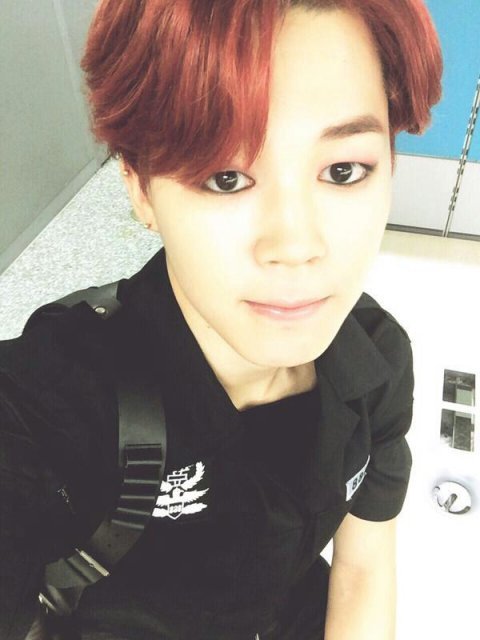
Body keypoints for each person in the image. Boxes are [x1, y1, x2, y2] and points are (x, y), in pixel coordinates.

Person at [0, 1, 442, 638]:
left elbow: (364, 567)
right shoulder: (49, 405)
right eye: (226, 178)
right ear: (140, 187)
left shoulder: (377, 359)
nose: (296, 245)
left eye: (344, 171)